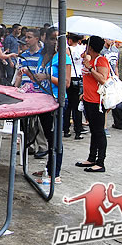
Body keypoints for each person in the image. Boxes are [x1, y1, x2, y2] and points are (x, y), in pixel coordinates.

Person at [32, 27, 71, 184]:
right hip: (43, 101)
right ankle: (49, 167)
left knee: (55, 139)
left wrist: (47, 76)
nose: (54, 42)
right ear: (45, 38)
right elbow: (39, 77)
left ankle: (55, 174)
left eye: (57, 39)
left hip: (57, 101)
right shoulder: (44, 56)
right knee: (49, 137)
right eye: (52, 38)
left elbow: (66, 83)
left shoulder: (63, 57)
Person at [76, 35, 110, 173]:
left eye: (87, 46)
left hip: (98, 102)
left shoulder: (100, 60)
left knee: (99, 132)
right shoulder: (90, 60)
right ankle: (91, 158)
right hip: (88, 100)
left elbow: (103, 79)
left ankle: (100, 162)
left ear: (90, 47)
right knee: (94, 131)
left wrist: (90, 68)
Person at [16, 28, 49, 158]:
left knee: (37, 121)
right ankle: (29, 145)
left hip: (37, 91)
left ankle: (42, 146)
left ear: (37, 39)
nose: (27, 40)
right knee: (25, 121)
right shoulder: (23, 55)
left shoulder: (42, 55)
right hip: (24, 91)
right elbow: (19, 74)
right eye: (26, 37)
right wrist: (15, 88)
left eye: (29, 37)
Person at [65, 34, 85, 139]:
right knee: (77, 107)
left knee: (67, 106)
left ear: (70, 40)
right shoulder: (83, 49)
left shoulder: (67, 50)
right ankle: (78, 131)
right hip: (79, 78)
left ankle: (66, 129)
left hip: (69, 77)